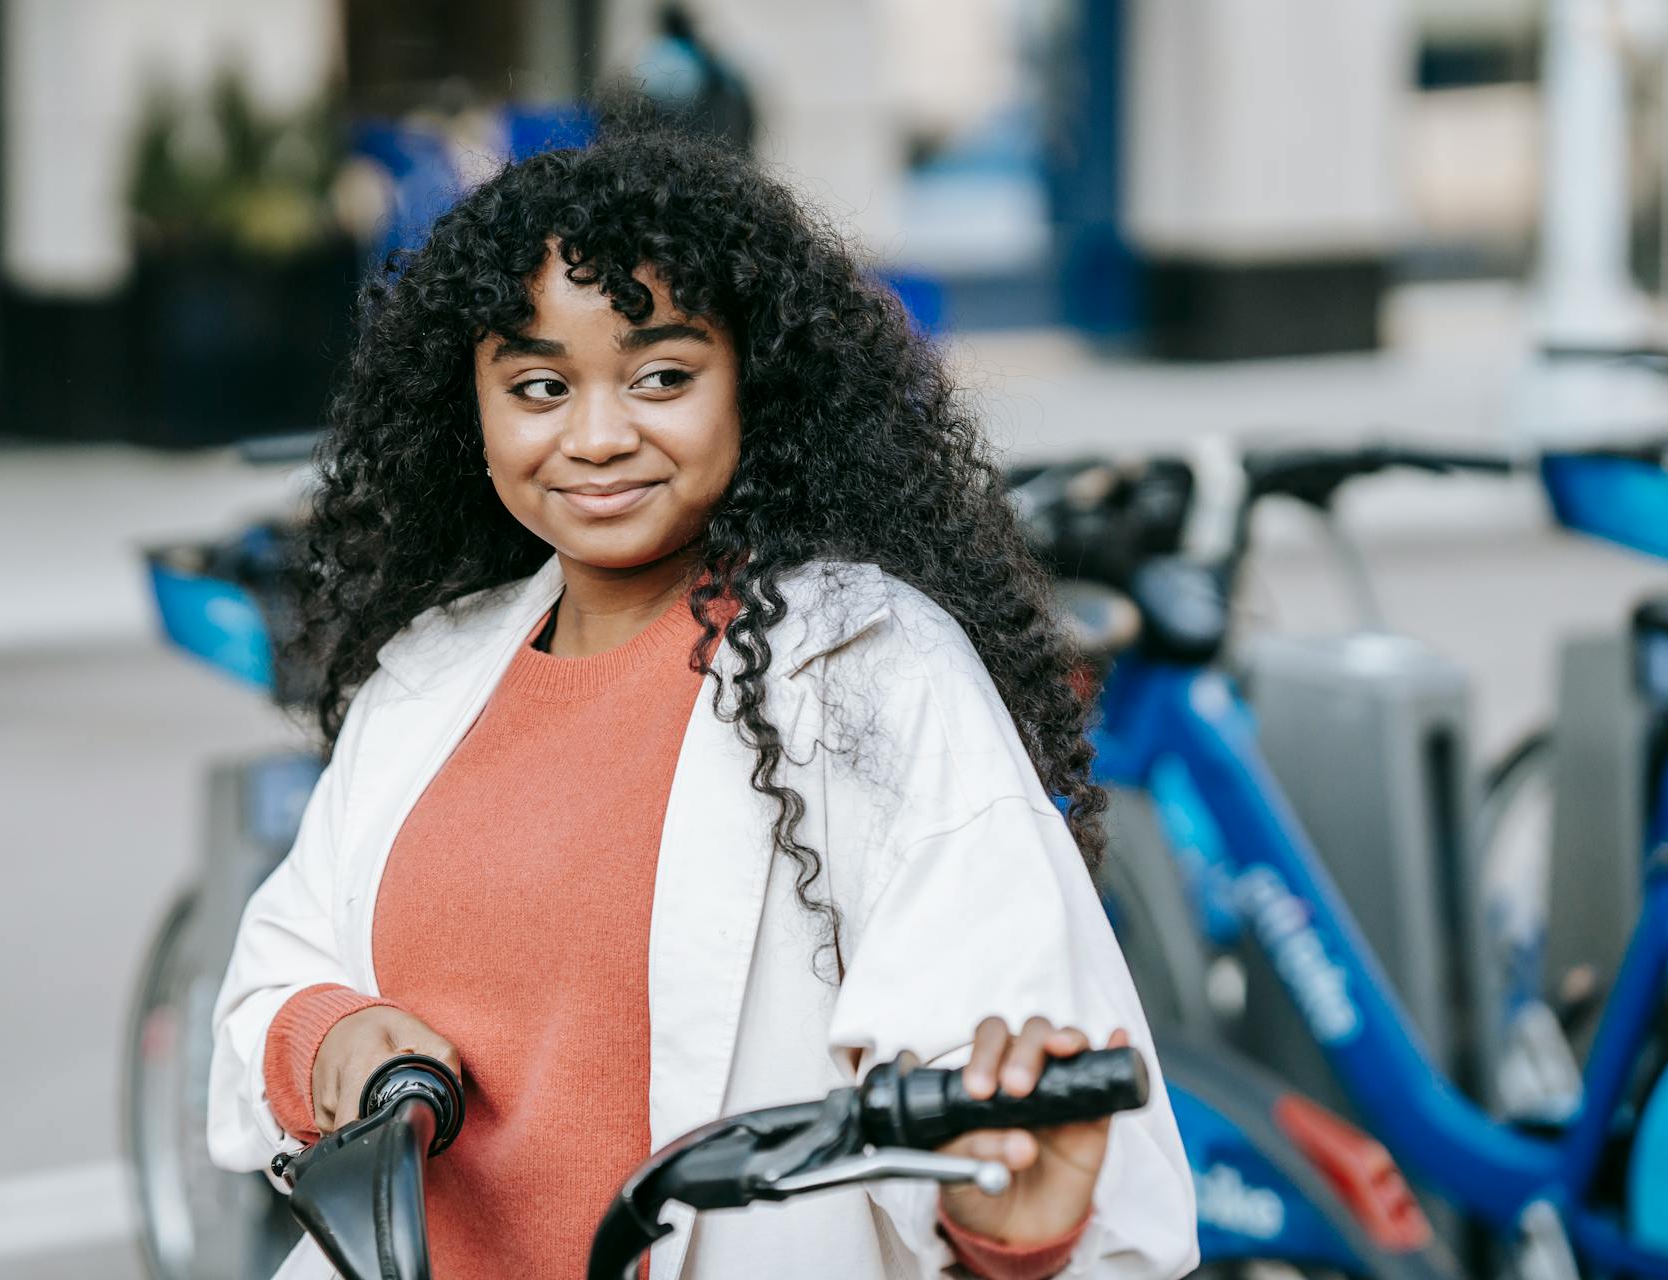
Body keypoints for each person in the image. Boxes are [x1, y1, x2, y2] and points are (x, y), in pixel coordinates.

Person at [206, 108, 1197, 1280]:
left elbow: (998, 1088)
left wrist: (1008, 1217)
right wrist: (328, 1038)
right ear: (466, 407)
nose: (598, 433)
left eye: (662, 374)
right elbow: (273, 977)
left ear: (753, 384)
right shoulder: (428, 677)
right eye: (537, 385)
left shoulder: (872, 672)